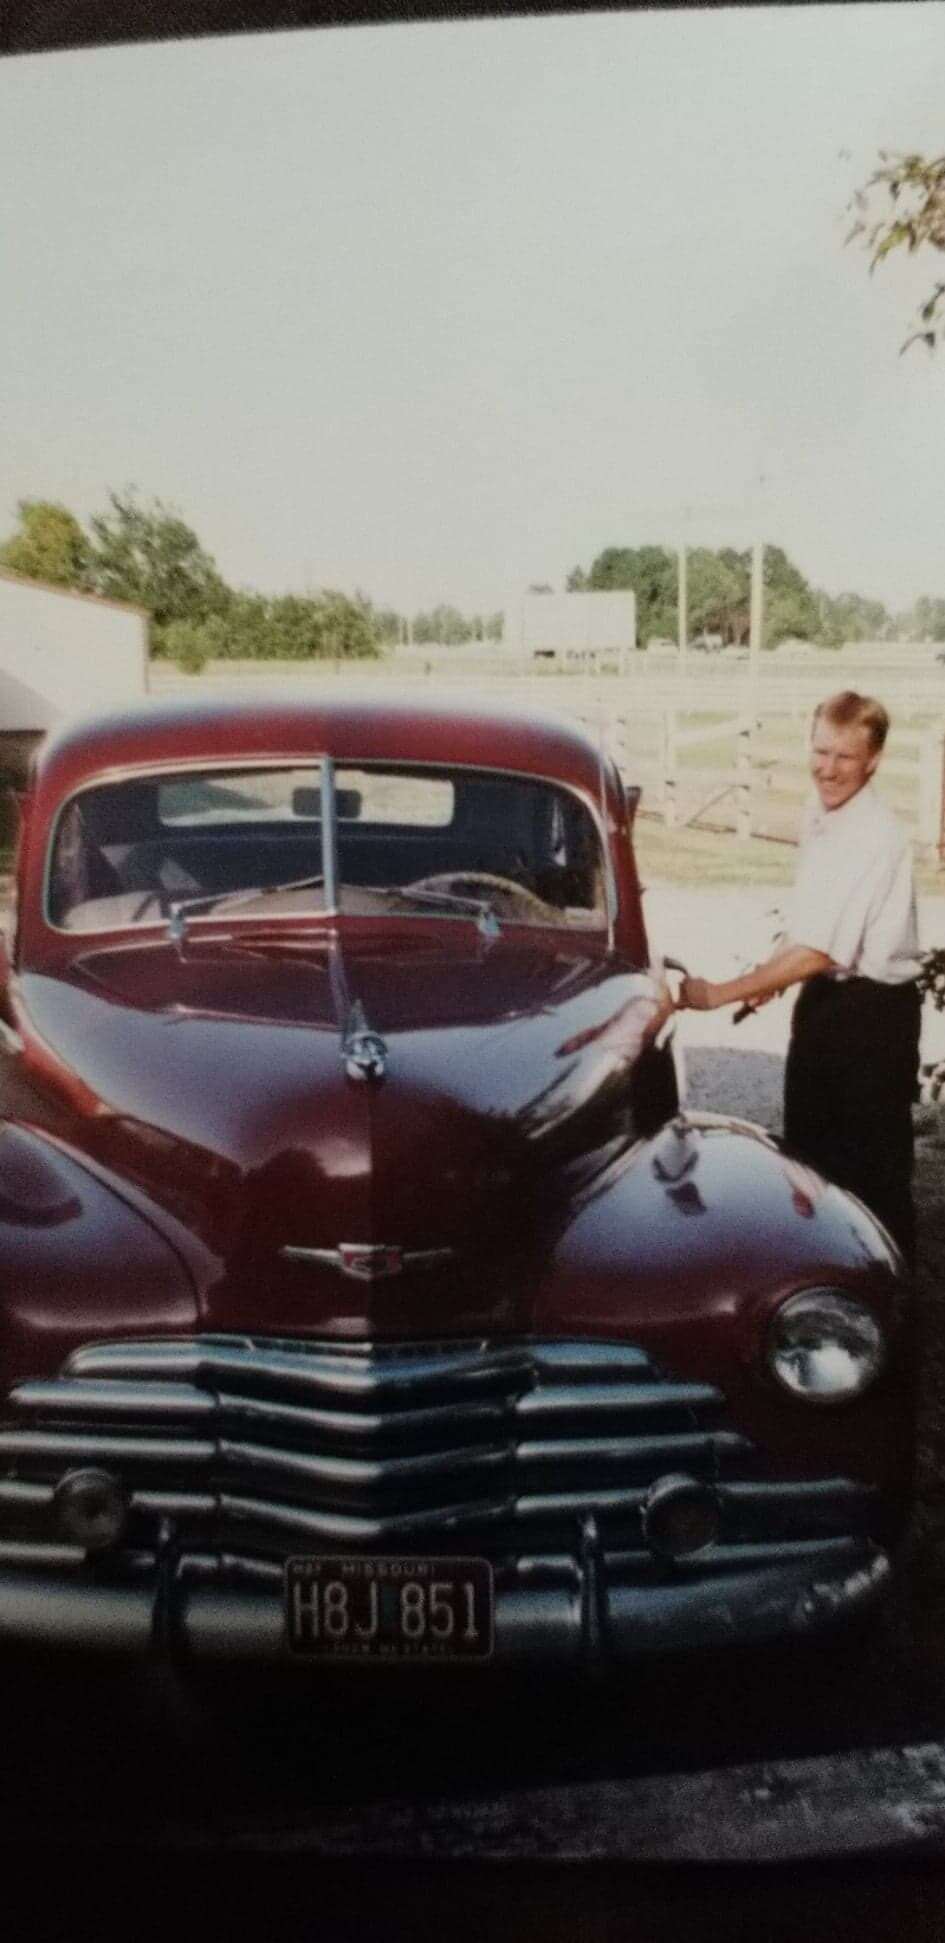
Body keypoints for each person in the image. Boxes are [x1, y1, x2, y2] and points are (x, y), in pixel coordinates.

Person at [678, 690, 921, 1262]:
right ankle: (820, 1292)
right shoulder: (823, 814)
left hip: (873, 1016)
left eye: (844, 757)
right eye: (820, 751)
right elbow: (812, 929)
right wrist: (770, 979)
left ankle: (886, 1311)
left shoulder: (872, 835)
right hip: (827, 1000)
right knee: (811, 1160)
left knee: (871, 1178)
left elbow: (817, 948)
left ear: (874, 760)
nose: (827, 769)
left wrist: (717, 994)